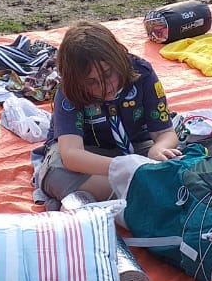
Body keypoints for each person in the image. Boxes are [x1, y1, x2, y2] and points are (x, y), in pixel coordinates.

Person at [31, 20, 181, 210]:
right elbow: (71, 155)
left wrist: (158, 150)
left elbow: (165, 133)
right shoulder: (69, 93)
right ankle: (144, 194)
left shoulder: (141, 73)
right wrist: (121, 167)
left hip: (137, 150)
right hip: (89, 156)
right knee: (55, 173)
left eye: (109, 74)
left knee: (180, 163)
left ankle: (88, 201)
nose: (105, 88)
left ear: (119, 60)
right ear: (76, 81)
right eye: (92, 82)